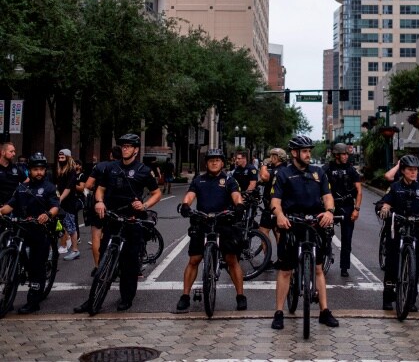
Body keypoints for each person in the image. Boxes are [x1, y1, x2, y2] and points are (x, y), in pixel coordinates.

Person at [78, 133, 161, 313]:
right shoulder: (111, 168)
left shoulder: (143, 171)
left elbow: (157, 193)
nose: (125, 149)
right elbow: (100, 189)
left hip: (133, 220)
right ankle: (93, 298)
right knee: (104, 259)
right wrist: (99, 201)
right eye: (123, 146)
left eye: (129, 146)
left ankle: (126, 298)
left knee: (129, 264)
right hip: (113, 218)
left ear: (136, 150)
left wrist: (144, 204)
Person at [270, 135, 339, 330]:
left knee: (318, 269)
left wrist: (329, 211)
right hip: (291, 224)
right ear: (294, 153)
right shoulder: (283, 174)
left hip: (314, 224)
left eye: (309, 151)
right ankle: (279, 312)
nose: (309, 154)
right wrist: (280, 216)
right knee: (285, 270)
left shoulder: (319, 172)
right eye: (305, 151)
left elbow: (328, 197)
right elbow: (274, 202)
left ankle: (324, 311)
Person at [176, 148, 247, 312]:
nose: (214, 162)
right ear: (206, 163)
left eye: (217, 160)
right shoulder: (199, 180)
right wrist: (186, 205)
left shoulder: (229, 180)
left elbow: (236, 195)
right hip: (202, 221)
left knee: (231, 260)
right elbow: (190, 195)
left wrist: (239, 205)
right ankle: (185, 296)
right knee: (194, 259)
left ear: (222, 163)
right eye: (210, 160)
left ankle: (240, 296)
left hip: (224, 221)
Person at [377, 154, 419, 312]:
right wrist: (385, 207)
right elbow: (385, 201)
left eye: (416, 170)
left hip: (417, 228)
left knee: (415, 266)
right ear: (403, 171)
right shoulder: (396, 187)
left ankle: (410, 300)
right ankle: (388, 297)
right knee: (392, 262)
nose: (414, 172)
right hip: (398, 227)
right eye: (410, 170)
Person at [0, 153, 59, 313]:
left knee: (36, 266)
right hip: (22, 228)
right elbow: (9, 206)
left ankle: (33, 302)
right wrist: (1, 211)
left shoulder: (49, 187)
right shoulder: (21, 188)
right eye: (35, 169)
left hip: (40, 231)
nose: (39, 172)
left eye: (41, 169)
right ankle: (8, 298)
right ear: (29, 171)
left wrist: (47, 214)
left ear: (45, 170)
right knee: (15, 259)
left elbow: (55, 206)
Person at [81, 145, 122, 277]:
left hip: (98, 205)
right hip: (116, 205)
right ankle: (116, 266)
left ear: (110, 155)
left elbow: (87, 186)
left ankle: (99, 267)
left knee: (96, 237)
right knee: (118, 236)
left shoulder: (99, 166)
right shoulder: (123, 167)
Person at [323, 142, 362, 278]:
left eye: (347, 154)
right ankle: (323, 257)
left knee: (347, 238)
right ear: (336, 155)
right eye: (343, 154)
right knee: (325, 233)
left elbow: (358, 191)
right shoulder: (327, 168)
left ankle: (344, 267)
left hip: (347, 206)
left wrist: (356, 209)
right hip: (331, 206)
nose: (346, 157)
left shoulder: (351, 170)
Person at [258, 147, 287, 267]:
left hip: (274, 207)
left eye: (272, 156)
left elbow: (264, 176)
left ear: (277, 157)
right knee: (273, 232)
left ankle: (273, 260)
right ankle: (278, 259)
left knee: (266, 232)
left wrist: (264, 164)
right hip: (271, 205)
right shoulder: (282, 169)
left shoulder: (278, 170)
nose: (270, 158)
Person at [55, 149, 80, 260]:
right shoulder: (59, 170)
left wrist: (60, 199)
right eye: (59, 158)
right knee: (59, 225)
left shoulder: (71, 171)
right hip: (60, 202)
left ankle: (75, 250)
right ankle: (64, 244)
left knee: (71, 226)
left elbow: (69, 187)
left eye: (63, 158)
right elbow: (57, 185)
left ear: (68, 158)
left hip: (69, 203)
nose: (60, 160)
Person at [0, 142, 28, 206]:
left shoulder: (16, 168)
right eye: (11, 151)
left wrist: (19, 190)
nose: (14, 154)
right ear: (3, 152)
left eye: (14, 151)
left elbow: (27, 181)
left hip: (12, 205)